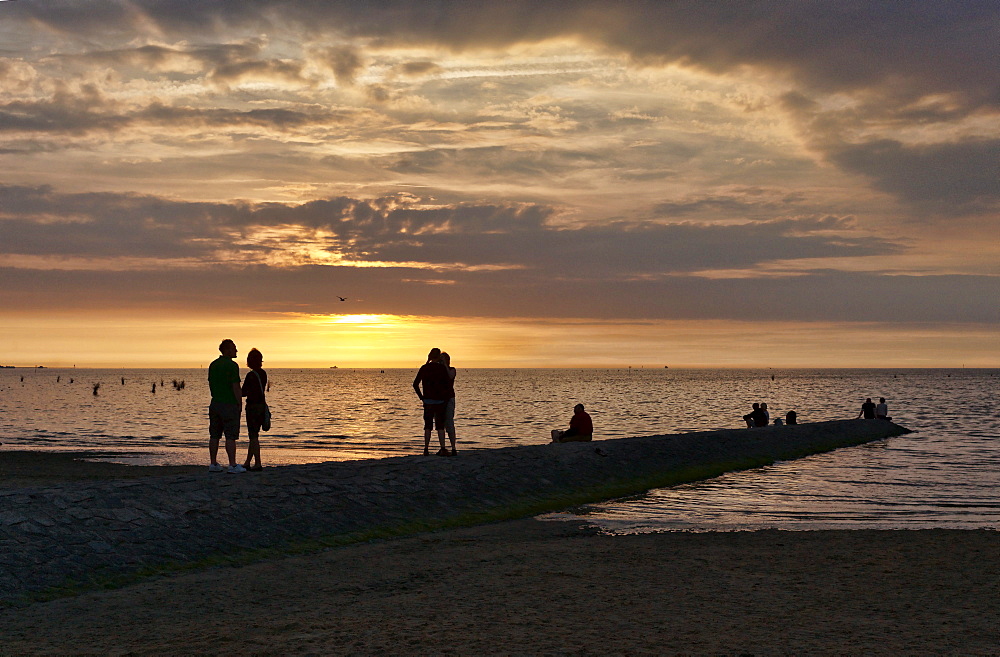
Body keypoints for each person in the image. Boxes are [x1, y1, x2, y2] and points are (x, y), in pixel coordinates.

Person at [208, 339, 245, 473]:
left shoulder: (213, 365)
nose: (236, 351)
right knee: (230, 436)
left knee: (214, 435)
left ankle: (213, 464)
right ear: (227, 350)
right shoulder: (232, 366)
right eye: (234, 348)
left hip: (215, 402)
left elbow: (211, 384)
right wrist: (239, 403)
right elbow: (235, 386)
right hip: (229, 404)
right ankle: (232, 464)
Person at [412, 348, 451, 456]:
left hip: (428, 401)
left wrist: (422, 397)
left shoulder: (425, 368)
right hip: (440, 401)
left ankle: (426, 449)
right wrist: (445, 398)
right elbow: (447, 385)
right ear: (438, 357)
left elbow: (415, 384)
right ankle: (443, 448)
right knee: (440, 426)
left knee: (428, 425)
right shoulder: (442, 369)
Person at [241, 348, 268, 471]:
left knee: (253, 436)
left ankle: (257, 463)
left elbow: (243, 392)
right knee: (254, 435)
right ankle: (248, 462)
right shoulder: (263, 373)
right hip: (262, 406)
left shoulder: (250, 375)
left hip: (252, 406)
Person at [441, 351, 458, 455]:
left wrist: (445, 366)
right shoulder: (438, 371)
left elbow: (450, 376)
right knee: (440, 424)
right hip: (439, 399)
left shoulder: (452, 369)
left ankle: (453, 447)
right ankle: (442, 447)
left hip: (449, 398)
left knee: (450, 423)